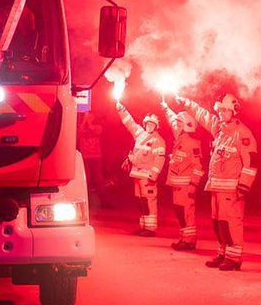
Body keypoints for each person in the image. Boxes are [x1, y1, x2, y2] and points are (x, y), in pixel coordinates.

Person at [176, 93, 257, 271]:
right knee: (218, 221)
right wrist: (187, 102)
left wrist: (243, 186)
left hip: (232, 189)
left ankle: (234, 258)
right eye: (219, 110)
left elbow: (251, 161)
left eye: (224, 110)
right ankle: (223, 253)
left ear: (234, 111)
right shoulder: (219, 128)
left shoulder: (242, 133)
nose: (220, 113)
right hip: (216, 186)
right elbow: (202, 115)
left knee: (231, 222)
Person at [116, 101, 166, 234]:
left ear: (156, 126)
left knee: (149, 201)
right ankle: (143, 226)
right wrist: (121, 109)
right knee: (140, 201)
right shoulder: (140, 134)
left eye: (152, 124)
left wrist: (153, 176)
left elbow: (160, 159)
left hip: (147, 177)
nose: (149, 126)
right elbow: (129, 122)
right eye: (148, 124)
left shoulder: (158, 140)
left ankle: (150, 228)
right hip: (137, 175)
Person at [161, 100, 205, 250]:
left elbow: (198, 166)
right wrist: (166, 108)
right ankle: (183, 238)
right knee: (180, 213)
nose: (177, 125)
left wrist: (194, 184)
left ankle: (190, 241)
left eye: (180, 124)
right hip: (177, 184)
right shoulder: (180, 136)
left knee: (187, 213)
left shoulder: (192, 142)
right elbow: (173, 121)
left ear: (186, 124)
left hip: (186, 186)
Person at [79, 113, 106, 203]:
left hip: (96, 155)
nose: (88, 117)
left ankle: (102, 197)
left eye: (90, 115)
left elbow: (97, 131)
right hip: (85, 156)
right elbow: (78, 133)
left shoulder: (98, 127)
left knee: (98, 177)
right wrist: (84, 121)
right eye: (87, 116)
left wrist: (89, 122)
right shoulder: (81, 127)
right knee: (87, 177)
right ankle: (88, 196)